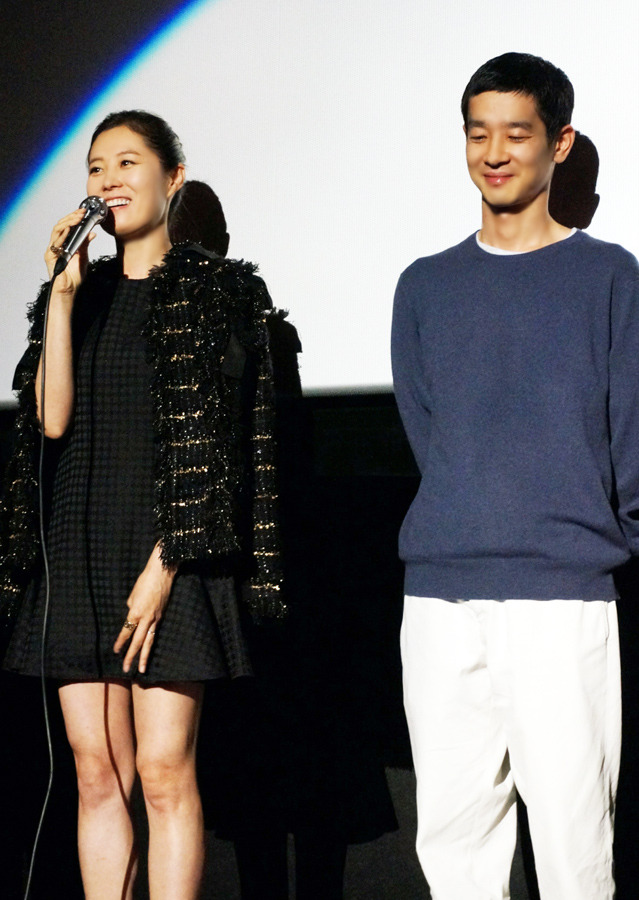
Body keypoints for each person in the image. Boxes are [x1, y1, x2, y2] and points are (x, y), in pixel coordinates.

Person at [0, 110, 282, 899]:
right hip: (79, 550)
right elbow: (51, 420)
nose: (108, 180)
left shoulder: (215, 292)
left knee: (161, 771)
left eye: (127, 163)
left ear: (172, 178)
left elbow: (221, 448)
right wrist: (60, 298)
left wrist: (166, 564)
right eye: (96, 167)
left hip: (172, 553)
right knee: (97, 772)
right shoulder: (79, 298)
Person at [391, 52, 639, 900]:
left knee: (574, 849)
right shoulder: (424, 285)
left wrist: (584, 543)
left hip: (562, 596)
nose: (492, 152)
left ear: (558, 143)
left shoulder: (609, 277)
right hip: (439, 596)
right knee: (454, 849)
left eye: (515, 133)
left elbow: (629, 436)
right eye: (476, 133)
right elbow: (428, 431)